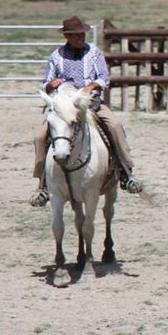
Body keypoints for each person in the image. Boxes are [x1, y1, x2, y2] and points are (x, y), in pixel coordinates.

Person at [30, 15, 140, 207]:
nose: (80, 38)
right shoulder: (56, 56)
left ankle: (126, 172)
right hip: (64, 108)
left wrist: (91, 87)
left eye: (82, 34)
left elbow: (104, 77)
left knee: (115, 126)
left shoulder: (94, 53)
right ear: (67, 36)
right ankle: (42, 183)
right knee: (40, 136)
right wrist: (51, 84)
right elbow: (45, 82)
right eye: (75, 35)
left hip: (91, 104)